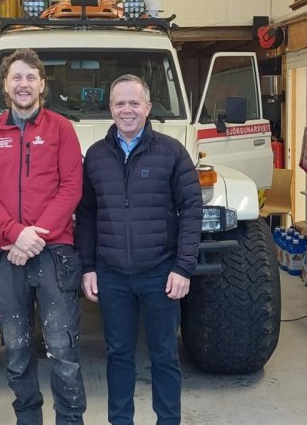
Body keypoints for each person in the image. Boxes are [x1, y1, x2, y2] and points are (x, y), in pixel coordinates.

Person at [75, 74, 202, 425]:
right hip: (112, 274)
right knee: (118, 355)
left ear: (147, 107)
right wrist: (88, 266)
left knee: (164, 355)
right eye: (120, 103)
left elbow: (192, 209)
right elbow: (86, 214)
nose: (126, 110)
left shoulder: (172, 152)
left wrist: (183, 267)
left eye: (134, 103)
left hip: (160, 272)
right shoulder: (96, 157)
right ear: (110, 109)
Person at [0, 48, 86, 425]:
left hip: (54, 253)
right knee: (17, 349)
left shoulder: (61, 129)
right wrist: (15, 234)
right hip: (6, 253)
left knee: (62, 348)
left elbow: (71, 187)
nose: (24, 84)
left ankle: (70, 420)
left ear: (42, 85)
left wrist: (35, 236)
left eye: (31, 77)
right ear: (5, 86)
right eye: (16, 77)